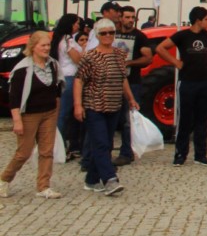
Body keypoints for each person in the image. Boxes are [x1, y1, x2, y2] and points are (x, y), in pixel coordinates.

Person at [155, 7, 207, 166]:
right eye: (206, 19)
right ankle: (180, 155)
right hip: (187, 82)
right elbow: (160, 48)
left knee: (202, 120)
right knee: (185, 120)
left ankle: (200, 155)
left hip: (204, 82)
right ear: (198, 20)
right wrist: (176, 62)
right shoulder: (183, 35)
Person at [74, 18, 138, 196]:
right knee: (101, 143)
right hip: (94, 105)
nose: (108, 36)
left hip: (114, 105)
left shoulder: (119, 54)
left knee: (106, 143)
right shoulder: (90, 57)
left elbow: (123, 78)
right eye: (103, 33)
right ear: (97, 35)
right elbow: (79, 80)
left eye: (111, 32)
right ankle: (110, 179)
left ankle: (91, 179)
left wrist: (131, 99)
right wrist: (78, 105)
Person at [2, 31, 65, 198]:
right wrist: (17, 121)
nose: (46, 48)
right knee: (24, 152)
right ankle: (4, 179)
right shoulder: (22, 69)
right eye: (42, 45)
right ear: (33, 47)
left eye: (48, 45)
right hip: (28, 115)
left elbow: (57, 90)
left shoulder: (53, 65)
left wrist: (56, 113)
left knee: (47, 151)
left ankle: (43, 186)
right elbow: (14, 98)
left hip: (49, 113)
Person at [112, 6, 152, 166]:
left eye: (132, 17)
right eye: (127, 17)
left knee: (129, 120)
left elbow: (148, 58)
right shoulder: (112, 34)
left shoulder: (140, 36)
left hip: (132, 81)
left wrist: (129, 62)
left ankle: (127, 152)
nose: (130, 20)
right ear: (121, 18)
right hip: (113, 83)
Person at [51, 14, 84, 160]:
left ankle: (62, 145)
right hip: (70, 77)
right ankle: (60, 147)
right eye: (76, 23)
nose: (78, 26)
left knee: (63, 114)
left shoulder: (58, 39)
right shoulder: (67, 40)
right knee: (64, 115)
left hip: (63, 76)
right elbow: (77, 59)